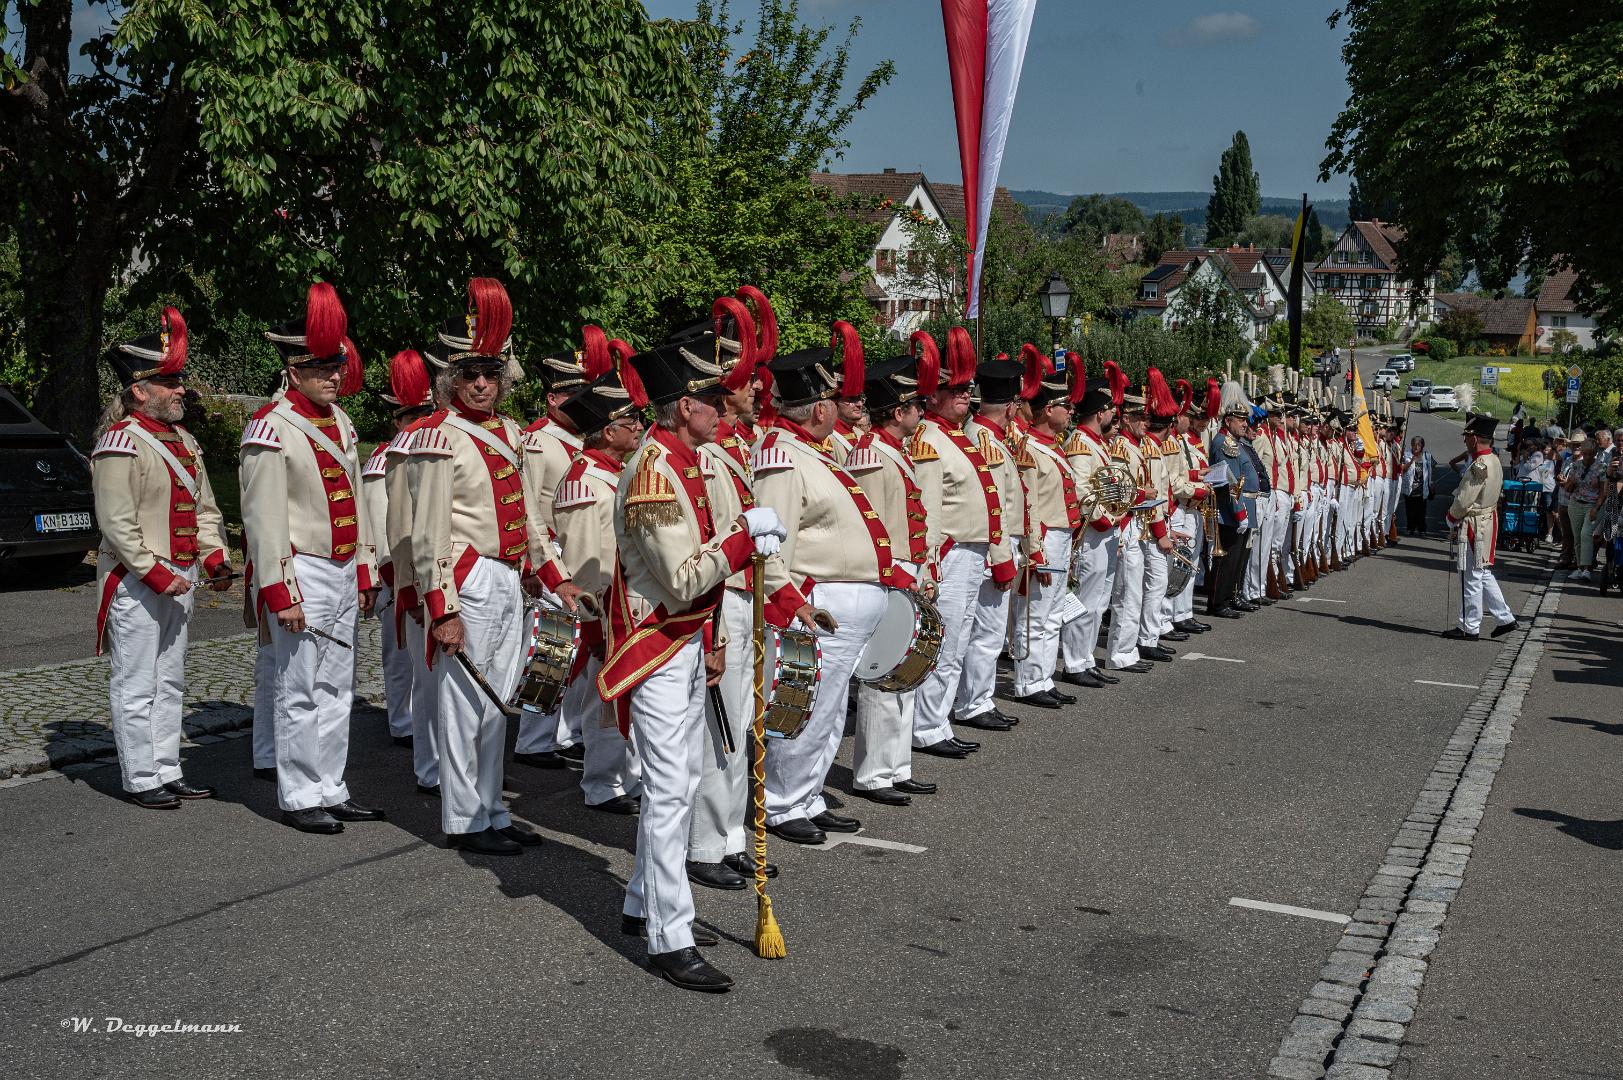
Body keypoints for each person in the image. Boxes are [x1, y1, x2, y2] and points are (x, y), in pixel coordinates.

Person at [595, 337, 792, 993]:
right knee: (670, 786)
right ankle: (667, 936)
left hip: (681, 637)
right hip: (652, 639)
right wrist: (743, 540)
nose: (722, 408)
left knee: (676, 778)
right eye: (711, 398)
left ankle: (642, 903)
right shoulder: (654, 472)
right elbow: (682, 578)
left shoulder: (688, 459)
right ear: (685, 405)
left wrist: (711, 636)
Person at [409, 278, 583, 855]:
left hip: (509, 576)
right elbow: (428, 532)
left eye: (490, 373)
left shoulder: (509, 431)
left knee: (496, 703)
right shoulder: (436, 437)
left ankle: (490, 808)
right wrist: (442, 609)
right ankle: (464, 818)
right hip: (470, 575)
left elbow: (533, 517)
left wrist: (555, 577)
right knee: (466, 704)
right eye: (469, 375)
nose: (482, 384)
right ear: (450, 380)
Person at [242, 283, 383, 834]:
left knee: (337, 684)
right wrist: (281, 590)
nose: (334, 375)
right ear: (293, 370)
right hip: (301, 567)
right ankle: (299, 793)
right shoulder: (269, 427)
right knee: (298, 686)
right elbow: (262, 520)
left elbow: (358, 502)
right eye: (321, 367)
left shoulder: (341, 421)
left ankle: (331, 784)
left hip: (343, 566)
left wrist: (365, 567)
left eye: (336, 366)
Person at [754, 348, 904, 842]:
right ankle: (781, 803)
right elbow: (773, 541)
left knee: (831, 709)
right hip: (819, 604)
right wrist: (790, 603)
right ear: (819, 408)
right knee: (809, 707)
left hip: (844, 604)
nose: (841, 408)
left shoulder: (812, 450)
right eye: (833, 400)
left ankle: (808, 795)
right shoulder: (780, 453)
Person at [92, 308, 234, 808]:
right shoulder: (120, 443)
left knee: (171, 678)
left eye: (178, 380)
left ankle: (168, 766)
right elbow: (116, 523)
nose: (181, 390)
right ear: (139, 390)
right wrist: (157, 573)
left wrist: (214, 558)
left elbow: (206, 508)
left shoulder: (187, 441)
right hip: (138, 581)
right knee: (136, 681)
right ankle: (140, 777)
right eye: (170, 381)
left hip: (181, 576)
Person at [909, 329, 1016, 759]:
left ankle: (939, 719)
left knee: (960, 640)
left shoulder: (958, 436)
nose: (964, 394)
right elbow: (928, 513)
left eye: (965, 388)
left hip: (971, 554)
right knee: (946, 643)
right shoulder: (930, 439)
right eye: (952, 388)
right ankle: (929, 725)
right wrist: (929, 566)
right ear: (931, 395)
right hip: (951, 556)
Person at [550, 367, 647, 816]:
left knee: (621, 697)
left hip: (627, 607)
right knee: (602, 699)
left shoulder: (612, 471)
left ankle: (623, 776)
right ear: (608, 432)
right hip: (606, 610)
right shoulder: (586, 480)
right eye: (631, 423)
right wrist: (597, 625)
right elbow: (587, 561)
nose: (640, 429)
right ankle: (602, 783)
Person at [847, 354, 938, 802]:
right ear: (899, 411)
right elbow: (870, 522)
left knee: (907, 670)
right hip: (888, 573)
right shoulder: (868, 452)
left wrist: (924, 565)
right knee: (883, 673)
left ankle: (897, 765)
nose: (922, 413)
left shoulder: (893, 451)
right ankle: (873, 772)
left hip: (907, 569)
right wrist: (898, 572)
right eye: (916, 406)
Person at [514, 337, 593, 770]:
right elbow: (526, 505)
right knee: (552, 646)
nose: (581, 401)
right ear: (552, 397)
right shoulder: (537, 441)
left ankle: (569, 731)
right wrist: (532, 564)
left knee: (581, 649)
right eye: (572, 393)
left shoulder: (583, 438)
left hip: (580, 553)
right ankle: (534, 738)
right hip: (551, 553)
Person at [956, 351, 1031, 729]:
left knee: (987, 629)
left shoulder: (991, 436)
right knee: (985, 630)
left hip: (999, 545)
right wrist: (1003, 555)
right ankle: (973, 702)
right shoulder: (984, 439)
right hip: (992, 547)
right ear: (1012, 405)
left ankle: (977, 698)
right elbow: (993, 504)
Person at [1008, 347, 1082, 708]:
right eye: (1065, 406)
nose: (1071, 412)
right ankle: (1028, 681)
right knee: (1034, 613)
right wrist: (1033, 550)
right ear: (1049, 409)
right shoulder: (1030, 448)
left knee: (1052, 613)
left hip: (1061, 536)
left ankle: (1043, 676)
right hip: (1045, 538)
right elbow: (1029, 503)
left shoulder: (1053, 446)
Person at [1057, 372, 1126, 686]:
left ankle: (1084, 658)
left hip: (1106, 529)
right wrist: (1104, 519)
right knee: (1086, 598)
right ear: (1100, 412)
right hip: (1093, 532)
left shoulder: (1096, 442)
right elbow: (1083, 492)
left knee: (1099, 599)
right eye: (1110, 408)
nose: (1113, 414)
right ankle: (1074, 662)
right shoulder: (1082, 444)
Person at [1443, 413, 1518, 640]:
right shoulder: (1494, 459)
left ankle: (1469, 626)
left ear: (1474, 438)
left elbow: (1466, 498)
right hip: (1487, 521)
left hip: (1474, 524)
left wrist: (1451, 517)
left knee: (1470, 576)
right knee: (1483, 573)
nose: (1465, 440)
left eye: (1467, 436)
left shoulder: (1479, 464)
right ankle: (1505, 618)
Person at [1207, 381, 1257, 619]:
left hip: (1242, 506)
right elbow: (1227, 480)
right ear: (1228, 421)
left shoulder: (1235, 442)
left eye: (1245, 420)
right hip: (1230, 510)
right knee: (1226, 558)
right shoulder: (1223, 442)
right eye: (1240, 420)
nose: (1244, 424)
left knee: (1237, 559)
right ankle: (1217, 601)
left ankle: (1229, 596)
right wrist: (1239, 513)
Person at [1563, 438, 1606, 582]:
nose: (1587, 457)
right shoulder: (1575, 466)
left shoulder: (1601, 467)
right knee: (1577, 537)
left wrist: (1596, 508)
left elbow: (1603, 492)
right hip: (1575, 503)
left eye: (1591, 454)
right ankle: (1580, 568)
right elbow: (1567, 489)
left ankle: (1587, 569)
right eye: (1585, 454)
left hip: (1593, 504)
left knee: (1586, 534)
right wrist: (1572, 481)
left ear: (1595, 453)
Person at [827, 320, 866, 464]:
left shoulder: (861, 434)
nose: (859, 403)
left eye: (860, 397)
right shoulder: (828, 439)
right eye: (851, 399)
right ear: (835, 402)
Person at [1400, 435, 1434, 537]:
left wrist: (1431, 482)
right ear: (1411, 445)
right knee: (1410, 510)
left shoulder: (1427, 456)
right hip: (1410, 488)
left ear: (1423, 446)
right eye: (1414, 444)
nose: (1416, 447)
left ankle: (1421, 529)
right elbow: (1403, 469)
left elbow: (1432, 467)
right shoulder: (1406, 455)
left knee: (1421, 510)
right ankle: (1410, 528)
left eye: (1419, 444)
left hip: (1422, 488)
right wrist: (1411, 461)